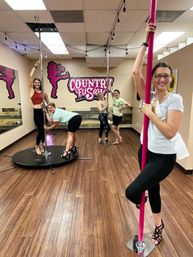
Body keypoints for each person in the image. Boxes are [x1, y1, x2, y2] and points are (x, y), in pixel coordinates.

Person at [125, 23, 186, 246]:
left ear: (171, 79)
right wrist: (145, 41)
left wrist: (150, 114)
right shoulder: (148, 95)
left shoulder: (175, 100)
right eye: (158, 75)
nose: (161, 79)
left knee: (132, 192)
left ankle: (145, 200)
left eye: (166, 76)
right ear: (154, 78)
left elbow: (170, 132)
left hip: (163, 158)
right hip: (145, 151)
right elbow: (134, 71)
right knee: (153, 188)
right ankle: (159, 225)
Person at [30, 60, 49, 155]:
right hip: (37, 113)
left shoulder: (43, 93)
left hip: (43, 112)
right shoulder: (31, 91)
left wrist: (44, 106)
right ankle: (37, 145)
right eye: (36, 82)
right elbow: (30, 76)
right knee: (40, 131)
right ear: (33, 84)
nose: (37, 83)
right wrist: (35, 66)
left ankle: (42, 144)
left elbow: (47, 104)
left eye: (38, 82)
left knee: (44, 130)